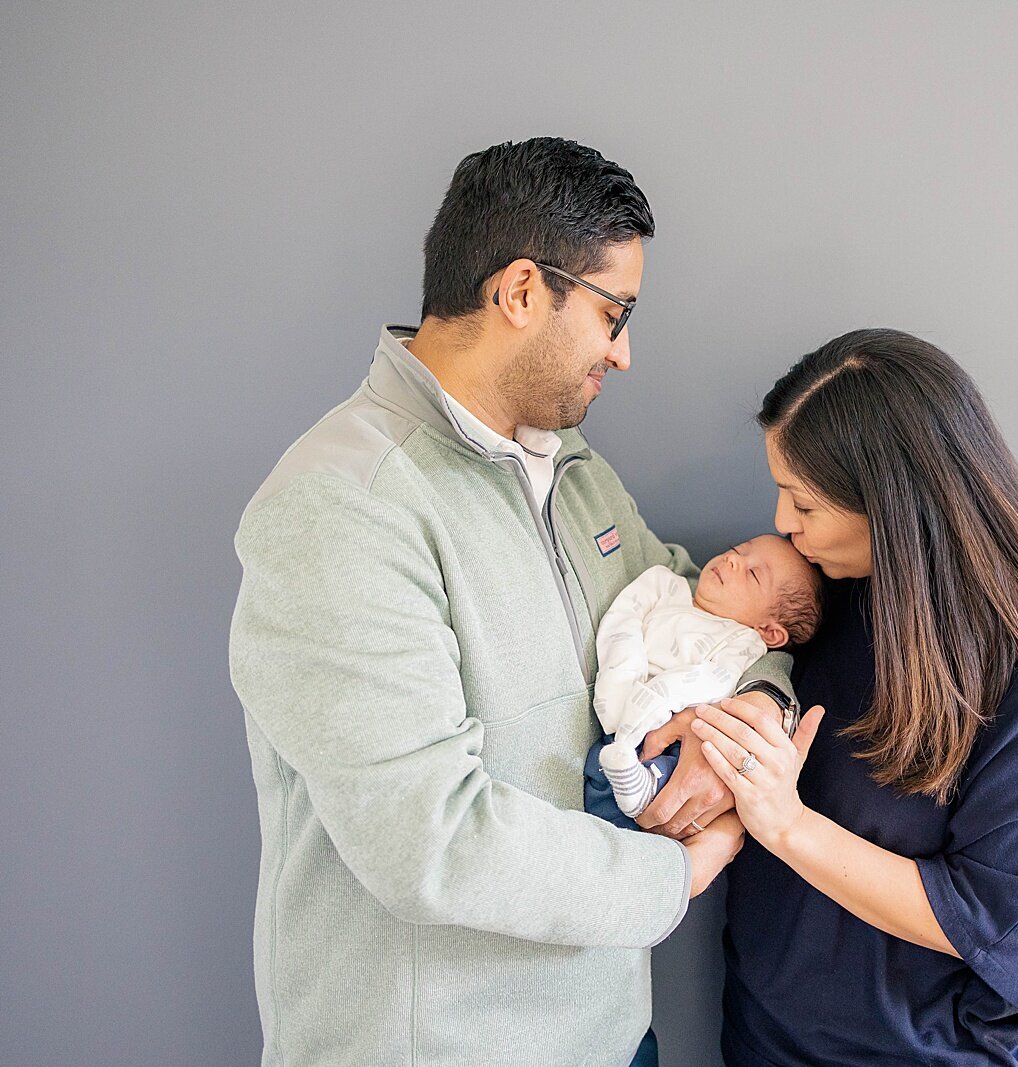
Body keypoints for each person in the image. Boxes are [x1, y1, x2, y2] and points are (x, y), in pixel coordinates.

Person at [228, 138, 793, 1067]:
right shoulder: (343, 505)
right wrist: (682, 870)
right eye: (615, 313)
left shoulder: (574, 472)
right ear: (523, 291)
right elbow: (428, 838)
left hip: (609, 1033)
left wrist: (753, 704)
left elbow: (714, 612)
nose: (625, 351)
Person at [647, 328, 1018, 1064]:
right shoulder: (832, 593)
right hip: (759, 1034)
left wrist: (785, 823)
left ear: (892, 506)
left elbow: (988, 915)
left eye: (803, 502)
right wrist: (718, 723)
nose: (780, 523)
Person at [585, 534, 822, 824]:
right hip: (622, 709)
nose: (732, 559)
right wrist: (621, 680)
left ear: (768, 631)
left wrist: (657, 697)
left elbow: (715, 680)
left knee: (689, 757)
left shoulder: (742, 640)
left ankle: (644, 788)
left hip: (671, 727)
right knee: (599, 772)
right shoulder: (666, 587)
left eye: (752, 574)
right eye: (736, 548)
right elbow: (622, 620)